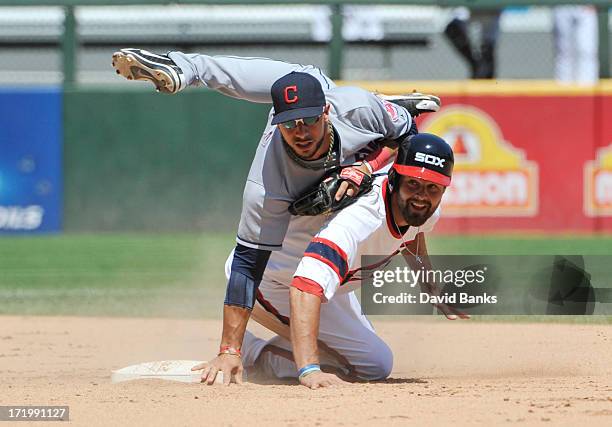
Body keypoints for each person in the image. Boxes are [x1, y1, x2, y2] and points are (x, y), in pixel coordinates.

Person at [111, 49, 442, 385]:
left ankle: (191, 66)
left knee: (376, 362)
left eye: (309, 119)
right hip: (277, 277)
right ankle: (254, 354)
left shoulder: (355, 108)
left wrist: (365, 166)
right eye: (289, 123)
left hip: (323, 264)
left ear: (326, 110)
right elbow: (245, 265)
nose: (300, 132)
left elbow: (407, 138)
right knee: (362, 363)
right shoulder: (267, 184)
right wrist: (231, 349)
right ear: (275, 120)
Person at [195, 133, 468, 388]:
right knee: (373, 363)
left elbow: (411, 236)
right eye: (413, 184)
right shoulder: (360, 220)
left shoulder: (423, 208)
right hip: (272, 283)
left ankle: (282, 348)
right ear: (395, 179)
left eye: (433, 188)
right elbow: (305, 286)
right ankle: (254, 353)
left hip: (326, 281)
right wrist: (309, 369)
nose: (422, 196)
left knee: (367, 355)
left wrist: (429, 284)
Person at [443, 8, 502, 79]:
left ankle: (485, 75)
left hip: (491, 9)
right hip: (471, 6)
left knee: (487, 48)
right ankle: (476, 65)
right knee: (452, 28)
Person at [553, 5, 599, 85]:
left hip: (585, 6)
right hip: (562, 6)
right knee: (564, 51)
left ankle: (588, 89)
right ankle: (563, 91)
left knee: (587, 50)